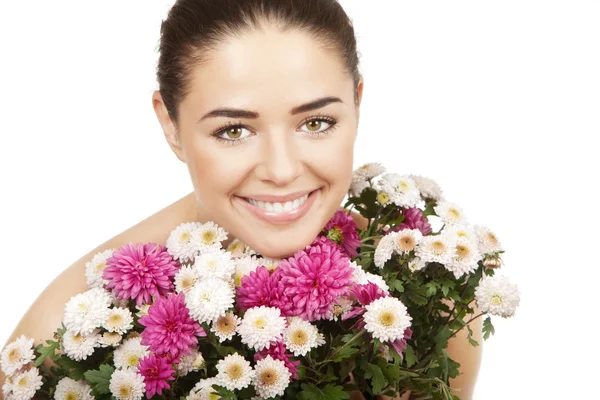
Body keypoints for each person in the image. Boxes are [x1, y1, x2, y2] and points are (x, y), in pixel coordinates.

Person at [0, 0, 482, 398]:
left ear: (357, 103)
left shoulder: (430, 303)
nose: (281, 170)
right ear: (170, 125)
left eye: (317, 123)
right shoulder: (60, 340)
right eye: (234, 130)